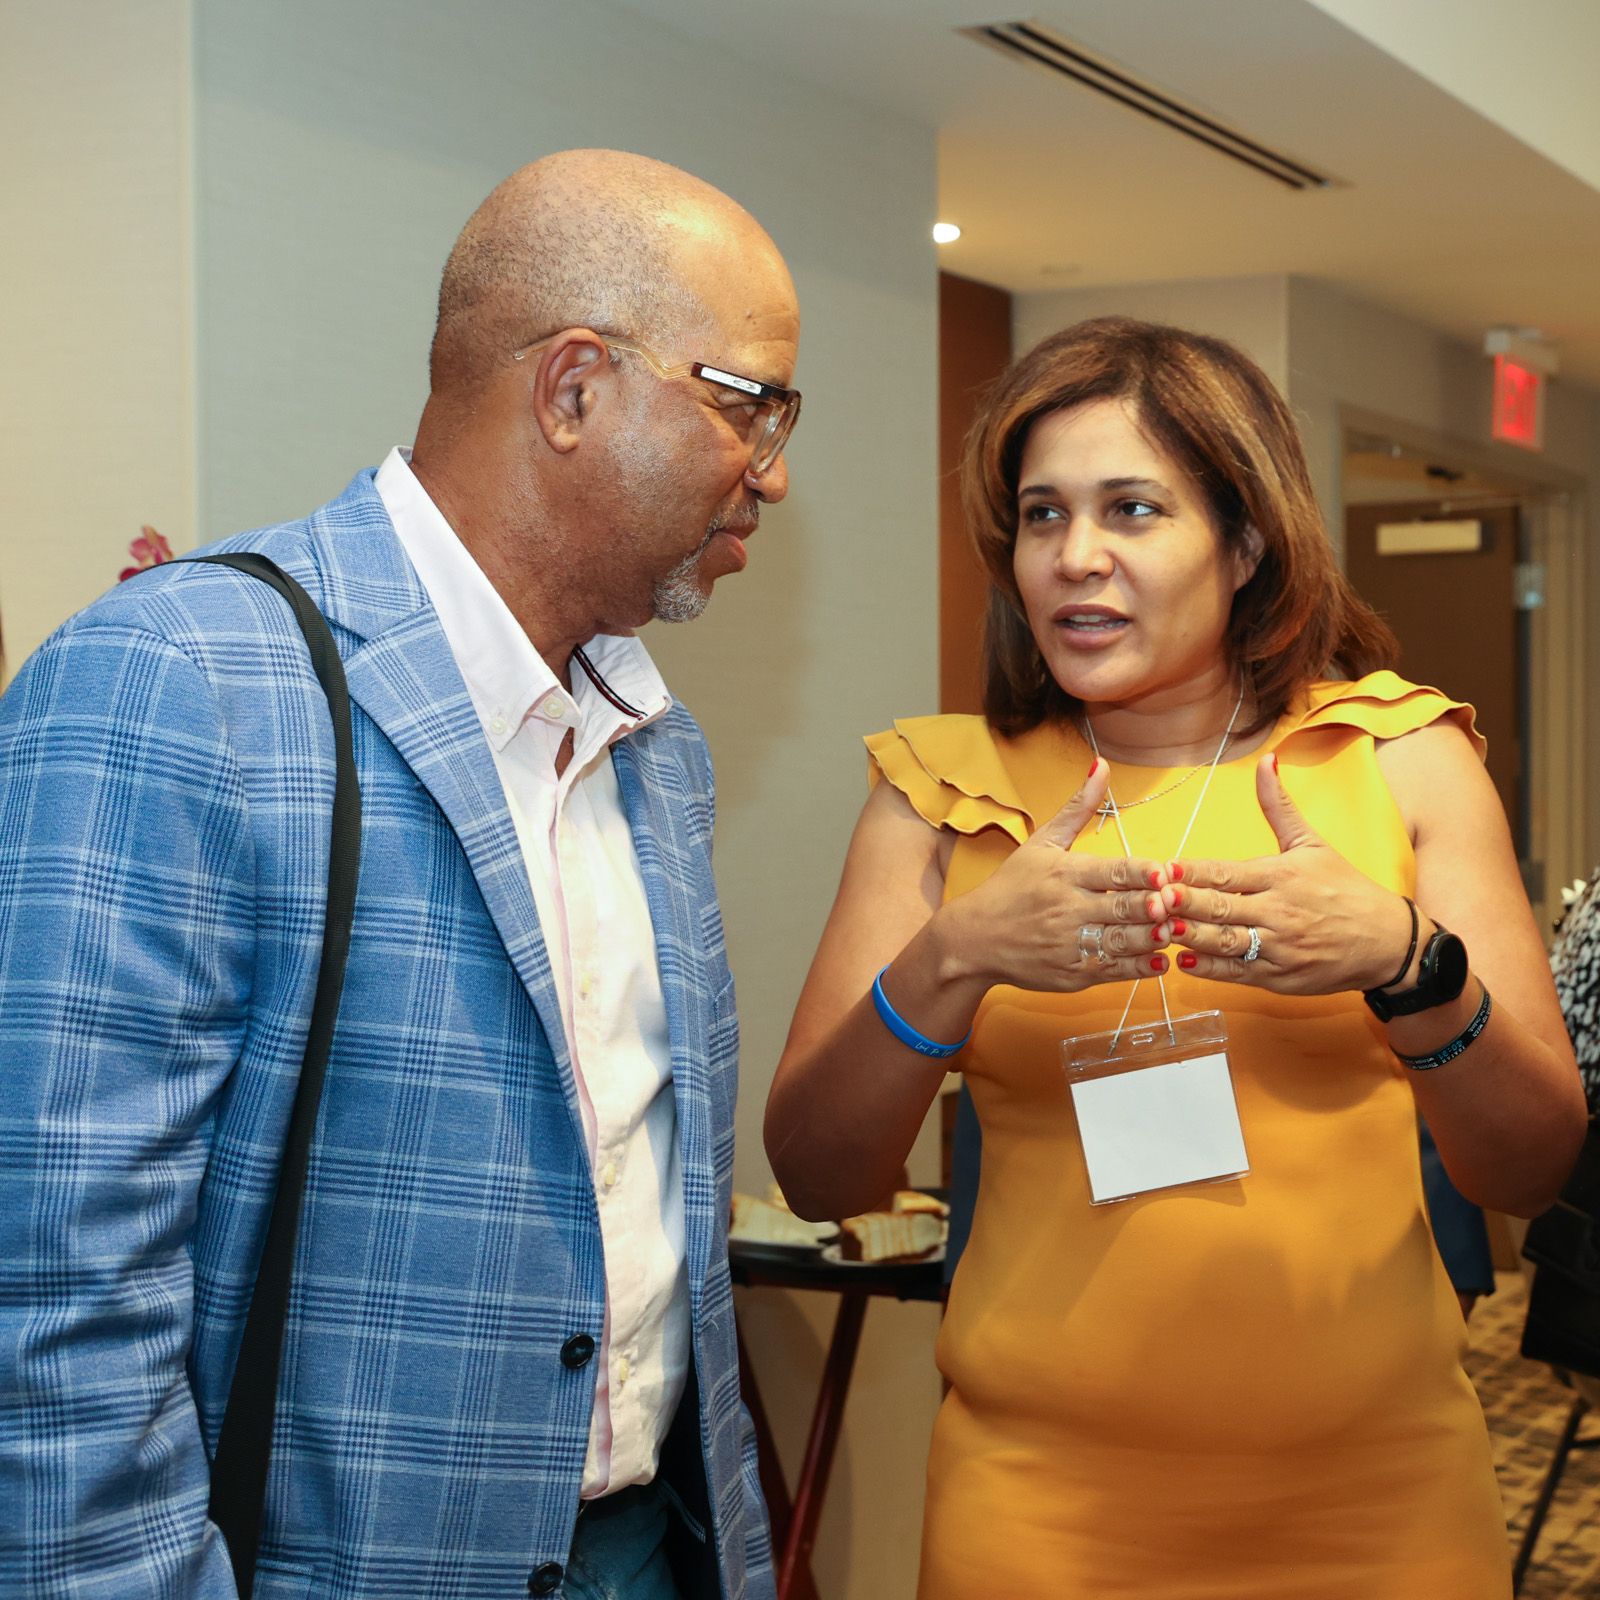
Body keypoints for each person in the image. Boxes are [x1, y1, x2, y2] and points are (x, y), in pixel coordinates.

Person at [0, 149, 799, 1600]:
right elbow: (55, 1295)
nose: (775, 470)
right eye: (749, 404)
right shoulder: (182, 679)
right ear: (572, 389)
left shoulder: (655, 745)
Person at [766, 317, 1585, 1598]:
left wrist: (1407, 960)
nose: (1074, 556)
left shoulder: (1399, 762)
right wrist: (952, 958)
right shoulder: (942, 793)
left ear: (1245, 543)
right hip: (1036, 1516)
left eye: (1132, 509)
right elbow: (820, 1178)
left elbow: (1529, 1170)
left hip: (1377, 1508)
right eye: (1042, 515)